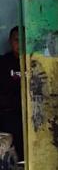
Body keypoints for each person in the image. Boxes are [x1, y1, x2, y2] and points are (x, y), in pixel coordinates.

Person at [0, 27, 22, 162]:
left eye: (24, 41)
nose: (20, 44)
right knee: (20, 131)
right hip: (9, 114)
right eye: (16, 40)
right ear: (10, 41)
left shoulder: (35, 63)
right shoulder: (3, 63)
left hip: (34, 111)